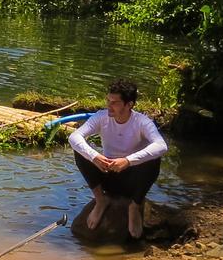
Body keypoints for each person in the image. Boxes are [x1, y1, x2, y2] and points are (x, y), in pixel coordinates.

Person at [68, 79, 168, 239]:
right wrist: (94, 156)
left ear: (129, 105)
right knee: (80, 151)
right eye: (108, 100)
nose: (109, 105)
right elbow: (74, 137)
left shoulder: (142, 122)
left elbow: (161, 146)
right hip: (107, 173)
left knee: (154, 159)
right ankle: (101, 200)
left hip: (132, 180)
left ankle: (134, 207)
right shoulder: (101, 117)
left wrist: (128, 161)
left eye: (114, 102)